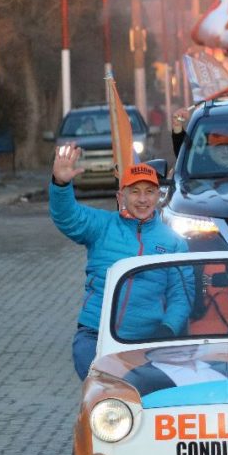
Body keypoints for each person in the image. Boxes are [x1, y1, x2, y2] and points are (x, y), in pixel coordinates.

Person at [50, 143, 190, 379]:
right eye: (134, 191)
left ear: (159, 196)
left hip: (148, 341)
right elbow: (68, 217)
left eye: (149, 191)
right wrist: (61, 184)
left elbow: (183, 296)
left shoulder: (174, 243)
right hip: (96, 335)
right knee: (104, 389)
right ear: (120, 196)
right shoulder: (101, 226)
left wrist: (166, 330)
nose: (142, 199)